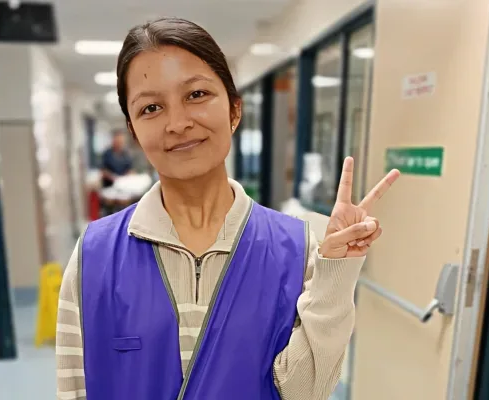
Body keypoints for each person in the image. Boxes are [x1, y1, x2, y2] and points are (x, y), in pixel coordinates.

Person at [56, 17, 400, 400]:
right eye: (151, 107)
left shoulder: (294, 248)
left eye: (196, 94)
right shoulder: (95, 255)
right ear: (133, 130)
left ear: (235, 110)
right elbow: (74, 388)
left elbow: (304, 392)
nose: (178, 123)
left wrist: (336, 272)